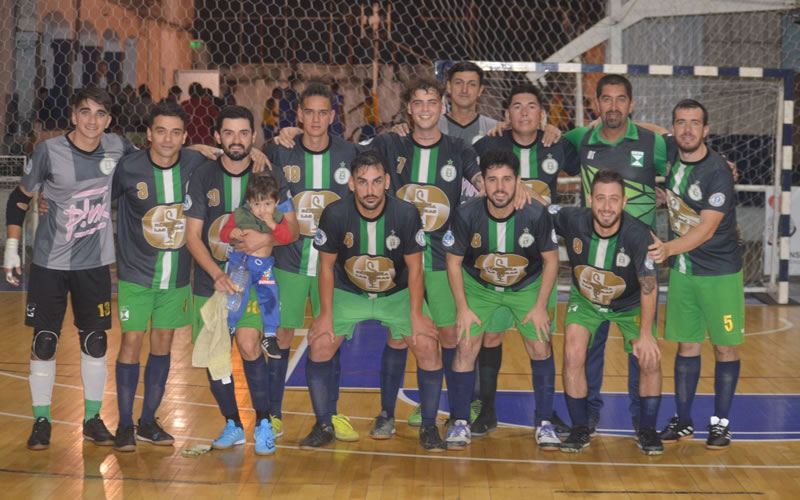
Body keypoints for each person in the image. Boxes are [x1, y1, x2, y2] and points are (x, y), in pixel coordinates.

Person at [4, 87, 137, 450]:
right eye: (85, 112)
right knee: (44, 342)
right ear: (73, 116)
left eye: (100, 113)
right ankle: (42, 420)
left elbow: (161, 156)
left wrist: (205, 150)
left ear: (109, 120)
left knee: (95, 343)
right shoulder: (48, 152)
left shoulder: (119, 148)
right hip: (50, 262)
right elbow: (18, 200)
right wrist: (12, 249)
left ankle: (92, 419)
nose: (92, 120)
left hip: (94, 264)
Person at [299, 150, 446, 452]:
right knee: (320, 344)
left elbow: (416, 267)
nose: (370, 190)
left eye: (377, 181)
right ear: (352, 183)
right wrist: (325, 313)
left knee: (428, 345)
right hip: (349, 292)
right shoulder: (335, 214)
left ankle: (429, 427)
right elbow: (326, 267)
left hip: (396, 294)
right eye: (363, 182)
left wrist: (417, 313)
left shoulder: (405, 214)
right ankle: (323, 424)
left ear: (387, 182)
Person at [184, 105, 297, 455]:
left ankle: (263, 423)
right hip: (212, 282)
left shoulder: (270, 174)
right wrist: (217, 274)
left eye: (244, 133)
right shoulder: (202, 176)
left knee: (250, 345)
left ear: (254, 136)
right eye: (229, 133)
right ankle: (232, 424)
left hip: (252, 281)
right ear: (217, 137)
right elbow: (193, 236)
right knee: (217, 356)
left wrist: (266, 239)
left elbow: (292, 229)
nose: (236, 140)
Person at [561, 74, 668, 433]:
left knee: (641, 350)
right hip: (592, 261)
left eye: (621, 99)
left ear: (631, 105)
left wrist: (668, 192)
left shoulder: (653, 142)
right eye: (606, 99)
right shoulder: (581, 139)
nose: (613, 107)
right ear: (596, 105)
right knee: (586, 349)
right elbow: (541, 148)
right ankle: (587, 415)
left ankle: (642, 420)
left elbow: (687, 162)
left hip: (638, 266)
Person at [443, 149, 560, 451]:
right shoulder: (467, 213)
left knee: (539, 344)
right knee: (466, 344)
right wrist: (463, 309)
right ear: (482, 182)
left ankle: (545, 423)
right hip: (480, 286)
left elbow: (551, 261)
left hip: (525, 286)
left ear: (517, 182)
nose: (499, 187)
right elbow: (453, 262)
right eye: (492, 179)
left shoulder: (535, 213)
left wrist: (539, 307)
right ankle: (460, 422)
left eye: (507, 179)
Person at [111, 101, 210, 452]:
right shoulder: (127, 169)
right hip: (135, 275)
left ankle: (147, 421)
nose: (167, 139)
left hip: (177, 278)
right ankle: (124, 424)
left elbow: (232, 157)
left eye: (176, 132)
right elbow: (96, 198)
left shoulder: (196, 163)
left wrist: (257, 153)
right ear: (149, 134)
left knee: (163, 344)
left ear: (185, 137)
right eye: (161, 131)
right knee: (131, 342)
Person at [265, 82, 361, 441]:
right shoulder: (279, 152)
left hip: (332, 267)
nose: (316, 119)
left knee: (328, 335)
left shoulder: (350, 153)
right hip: (287, 261)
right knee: (280, 335)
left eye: (324, 112)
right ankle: (271, 415)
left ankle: (329, 414)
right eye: (310, 112)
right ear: (299, 115)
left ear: (333, 116)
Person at [649, 100, 743, 450]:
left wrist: (668, 249)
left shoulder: (718, 172)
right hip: (684, 273)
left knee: (724, 348)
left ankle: (721, 423)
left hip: (719, 274)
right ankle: (684, 420)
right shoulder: (672, 149)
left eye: (695, 123)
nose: (687, 130)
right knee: (686, 346)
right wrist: (610, 119)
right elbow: (648, 129)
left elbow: (705, 229)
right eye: (680, 123)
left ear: (706, 130)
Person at [551, 169, 663, 456]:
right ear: (590, 199)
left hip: (630, 305)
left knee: (649, 360)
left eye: (613, 199)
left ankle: (648, 430)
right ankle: (579, 428)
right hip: (587, 300)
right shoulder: (572, 219)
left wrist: (647, 334)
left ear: (624, 202)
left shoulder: (639, 235)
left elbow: (649, 287)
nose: (606, 206)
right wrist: (523, 194)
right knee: (573, 354)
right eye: (600, 198)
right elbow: (542, 209)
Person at [219, 173, 292, 359]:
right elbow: (223, 234)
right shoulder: (240, 214)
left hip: (264, 267)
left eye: (267, 204)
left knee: (271, 296)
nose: (261, 210)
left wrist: (274, 226)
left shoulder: (277, 217)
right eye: (257, 204)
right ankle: (229, 328)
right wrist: (232, 232)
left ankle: (269, 336)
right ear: (249, 202)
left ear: (276, 203)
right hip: (241, 265)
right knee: (235, 296)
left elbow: (287, 238)